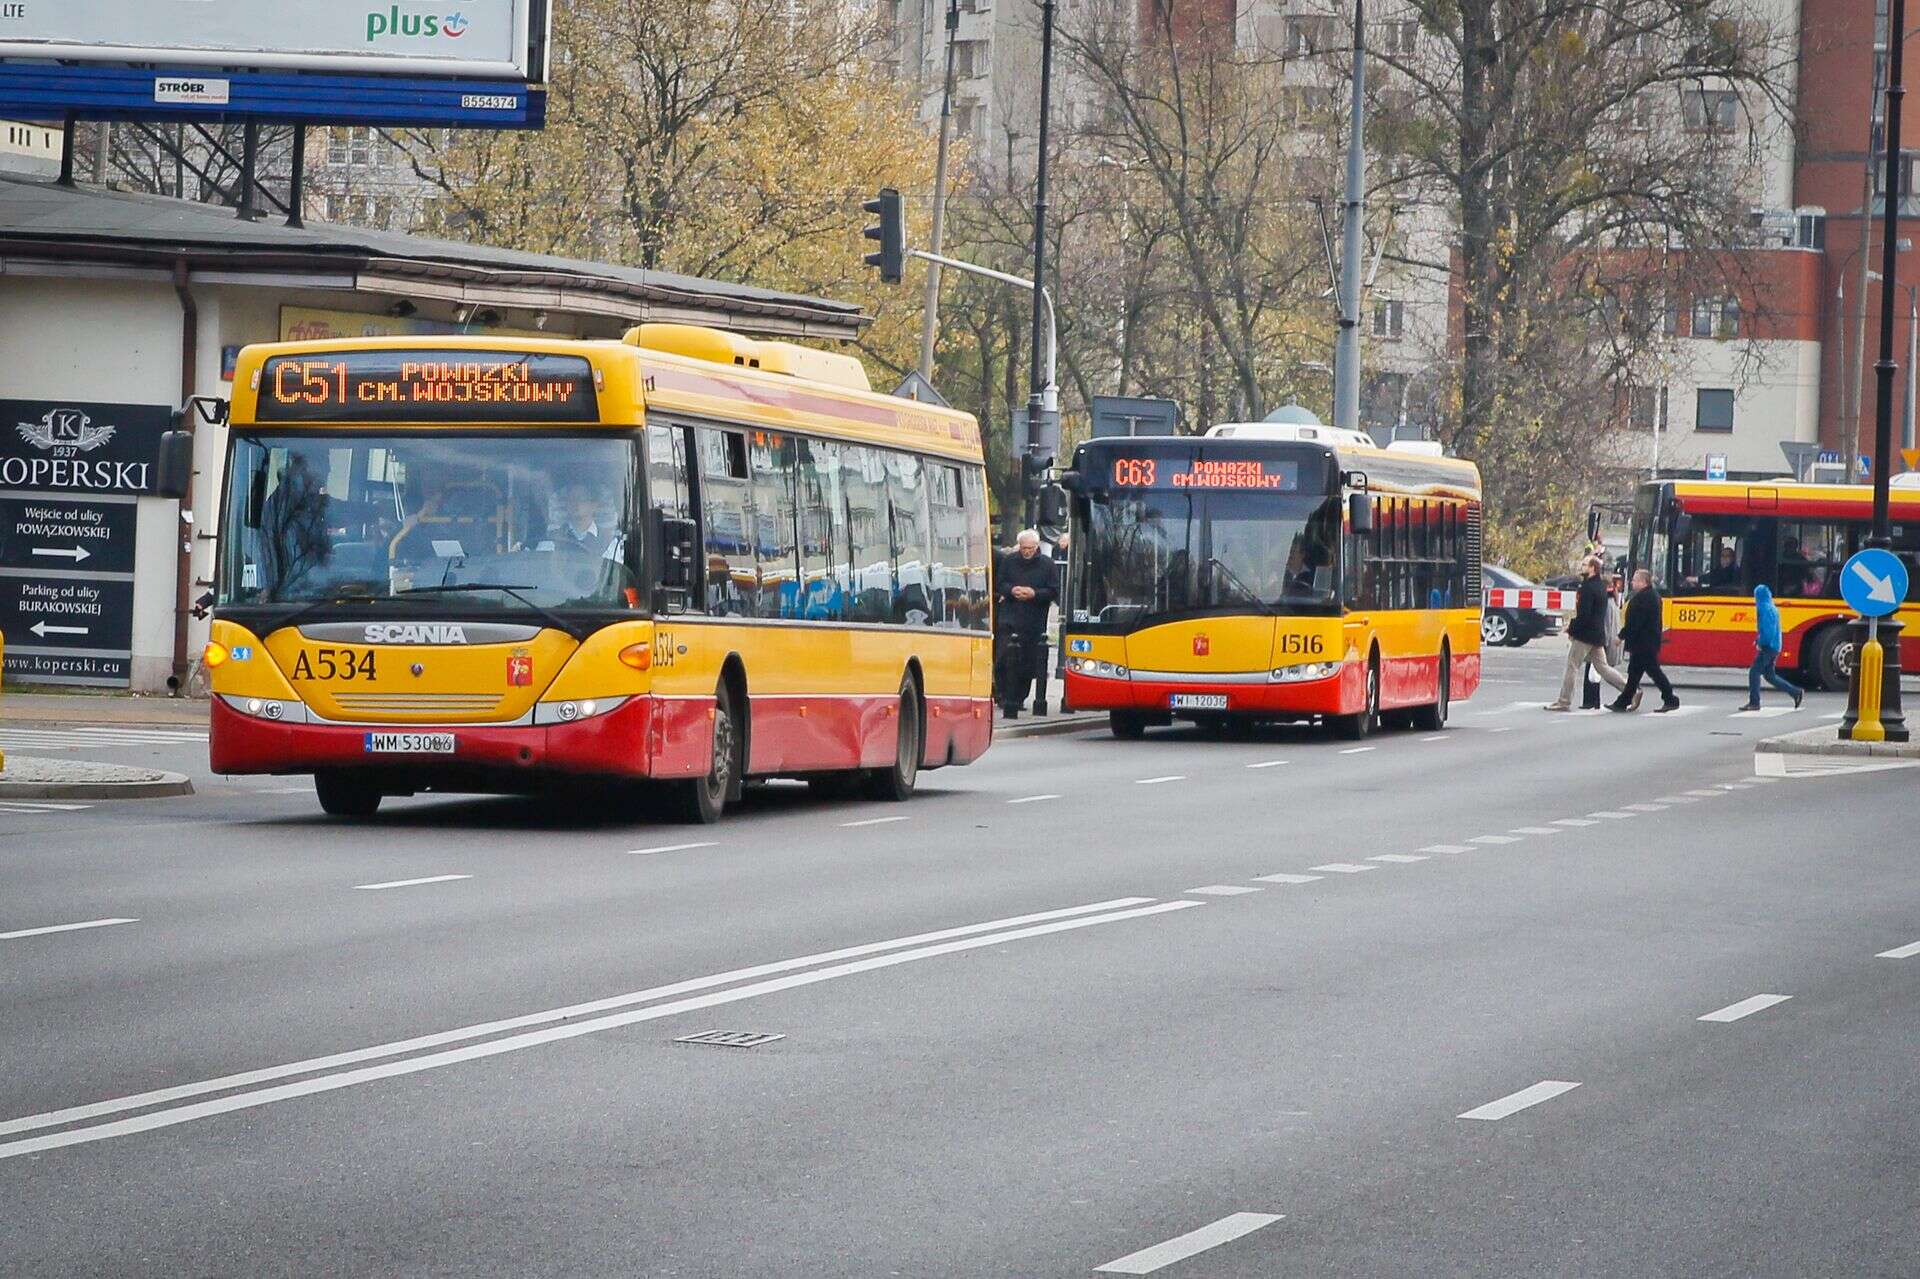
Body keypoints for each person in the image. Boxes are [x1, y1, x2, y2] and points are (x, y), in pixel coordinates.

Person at [1546, 556, 1629, 711]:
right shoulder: (1600, 586)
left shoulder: (1588, 588)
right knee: (1603, 668)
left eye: (1584, 565)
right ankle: (1631, 691)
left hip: (1585, 635)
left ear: (1592, 568)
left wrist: (1572, 629)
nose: (1581, 567)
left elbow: (1584, 615)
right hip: (1596, 635)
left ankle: (1564, 701)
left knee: (1572, 666)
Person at [995, 528, 1057, 718]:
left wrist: (1034, 593)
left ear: (1037, 547)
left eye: (1030, 548)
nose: (1027, 551)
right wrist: (1012, 590)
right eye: (1023, 548)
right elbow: (1000, 583)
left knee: (1028, 661)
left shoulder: (1047, 565)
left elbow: (1054, 591)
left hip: (1034, 619)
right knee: (1004, 656)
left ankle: (1019, 698)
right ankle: (1004, 695)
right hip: (1010, 616)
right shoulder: (1009, 561)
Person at [1610, 569, 1679, 713]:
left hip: (1644, 643)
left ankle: (1670, 699)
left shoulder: (1645, 598)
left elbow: (1635, 622)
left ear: (1643, 582)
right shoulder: (1648, 595)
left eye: (1635, 580)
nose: (1632, 582)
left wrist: (1621, 636)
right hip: (1644, 642)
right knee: (1634, 674)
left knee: (1654, 672)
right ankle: (1623, 701)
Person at [1739, 583, 1804, 711]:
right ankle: (1795, 692)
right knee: (1770, 676)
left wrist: (1760, 643)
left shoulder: (1764, 608)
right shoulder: (1772, 607)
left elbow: (1767, 631)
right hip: (1775, 646)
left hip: (1769, 646)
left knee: (1754, 672)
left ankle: (1754, 702)